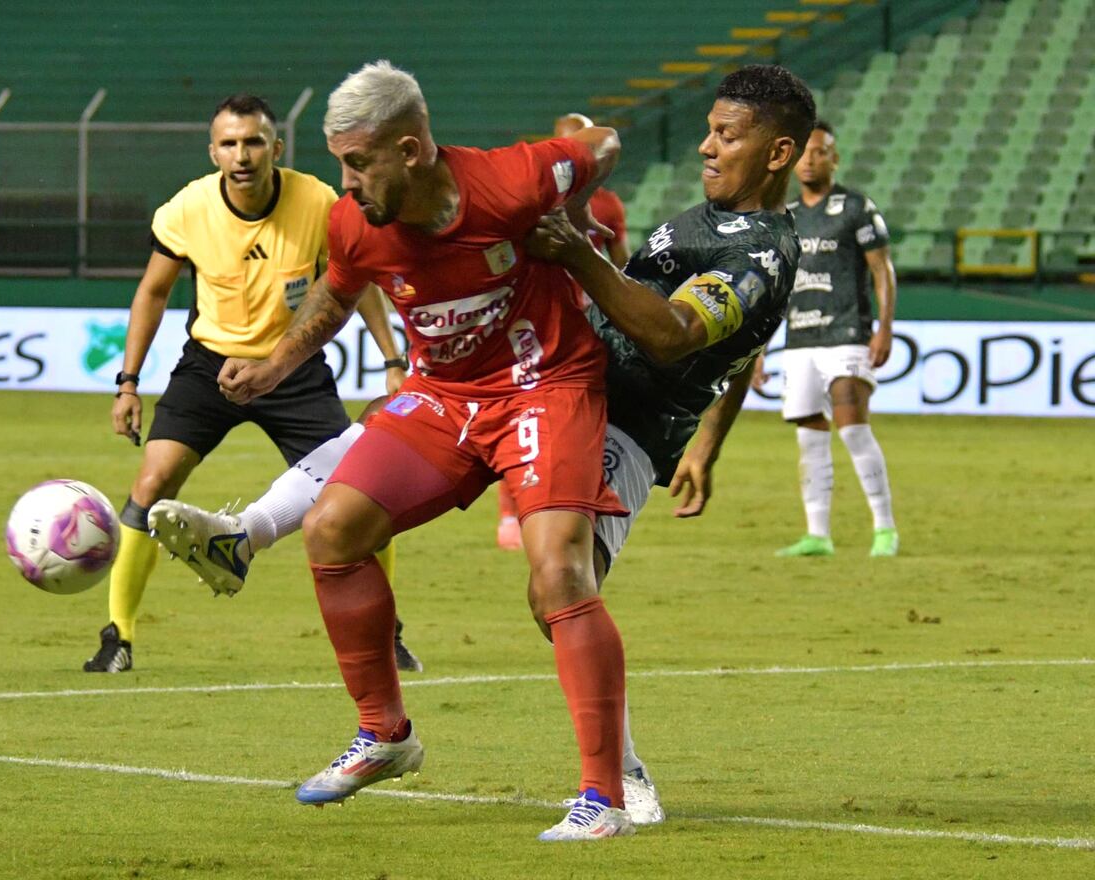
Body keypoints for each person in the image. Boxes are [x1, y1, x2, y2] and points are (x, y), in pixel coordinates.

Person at [149, 64, 814, 840]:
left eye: (726, 135)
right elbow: (735, 350)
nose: (705, 146)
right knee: (344, 513)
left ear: (778, 153)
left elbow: (674, 335)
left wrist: (575, 249)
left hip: (616, 418)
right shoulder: (707, 218)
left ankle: (613, 780)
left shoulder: (762, 254)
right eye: (708, 129)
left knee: (557, 586)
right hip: (505, 384)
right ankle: (274, 573)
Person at [83, 93, 424, 674]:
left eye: (254, 142)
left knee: (359, 492)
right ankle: (119, 637)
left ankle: (384, 632)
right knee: (152, 482)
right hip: (209, 367)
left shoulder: (317, 201)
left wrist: (393, 357)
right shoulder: (187, 209)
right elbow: (153, 293)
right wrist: (128, 384)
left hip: (294, 368)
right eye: (230, 144)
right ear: (213, 152)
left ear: (276, 148)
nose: (242, 155)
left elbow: (357, 282)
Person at [753, 119, 899, 558]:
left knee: (852, 427)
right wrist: (759, 349)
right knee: (809, 437)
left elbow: (882, 269)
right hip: (801, 338)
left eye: (821, 152)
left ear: (835, 158)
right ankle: (818, 535)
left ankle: (885, 529)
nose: (811, 160)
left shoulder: (856, 208)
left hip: (847, 333)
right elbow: (775, 289)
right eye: (805, 153)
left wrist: (885, 327)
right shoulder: (786, 216)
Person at [496, 112, 631, 551]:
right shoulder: (529, 196)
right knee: (523, 409)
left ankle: (581, 500)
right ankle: (510, 511)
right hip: (538, 319)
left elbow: (622, 259)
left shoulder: (608, 204)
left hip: (588, 318)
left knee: (585, 413)